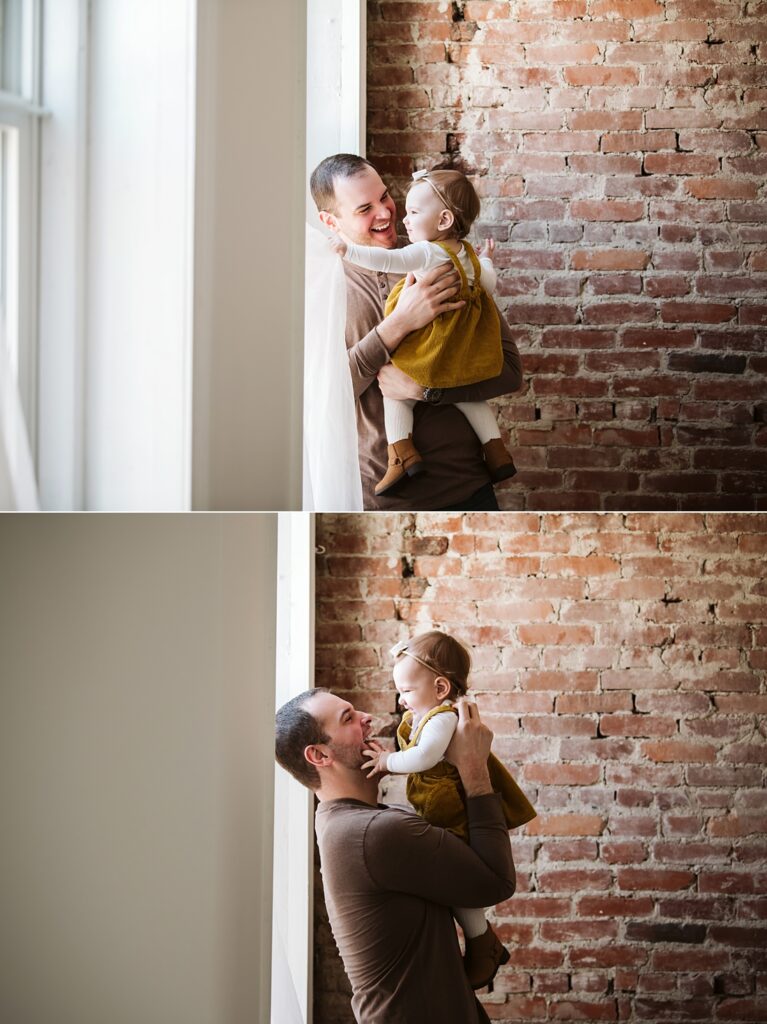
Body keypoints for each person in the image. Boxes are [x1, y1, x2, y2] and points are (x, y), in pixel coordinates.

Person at [275, 688, 518, 1024]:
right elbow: (496, 881)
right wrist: (473, 767)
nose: (366, 719)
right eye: (349, 719)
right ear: (319, 755)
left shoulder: (349, 824)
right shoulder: (374, 832)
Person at [310, 153, 523, 511]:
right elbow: (322, 396)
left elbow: (509, 373)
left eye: (384, 197)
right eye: (364, 209)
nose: (385, 213)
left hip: (467, 487)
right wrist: (398, 324)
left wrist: (429, 390)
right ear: (330, 221)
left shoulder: (442, 259)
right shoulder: (319, 288)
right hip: (382, 498)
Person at [360, 631, 536, 989]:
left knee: (458, 882)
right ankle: (481, 941)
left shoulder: (443, 718)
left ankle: (481, 941)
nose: (401, 698)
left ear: (441, 688)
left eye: (407, 691)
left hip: (453, 813)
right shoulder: (425, 715)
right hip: (435, 809)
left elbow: (423, 757)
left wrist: (387, 761)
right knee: (452, 880)